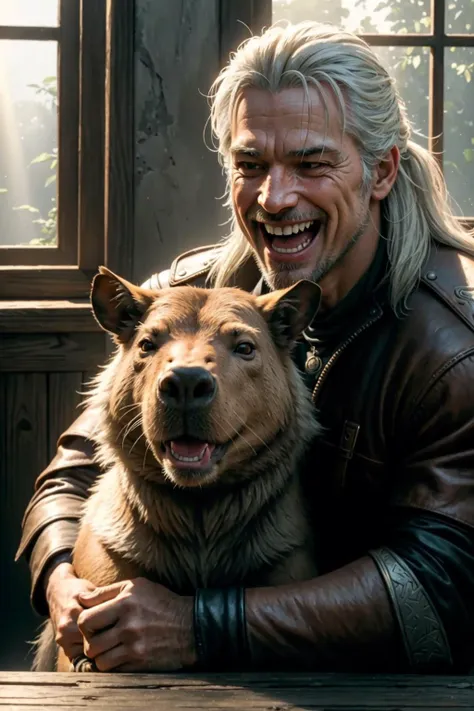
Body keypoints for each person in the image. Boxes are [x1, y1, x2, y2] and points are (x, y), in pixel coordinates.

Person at [17, 20, 474, 674]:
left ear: (381, 170)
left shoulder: (454, 348)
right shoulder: (189, 297)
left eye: (311, 163)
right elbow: (75, 468)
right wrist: (63, 579)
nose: (275, 198)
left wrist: (203, 626)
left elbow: (440, 592)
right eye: (250, 164)